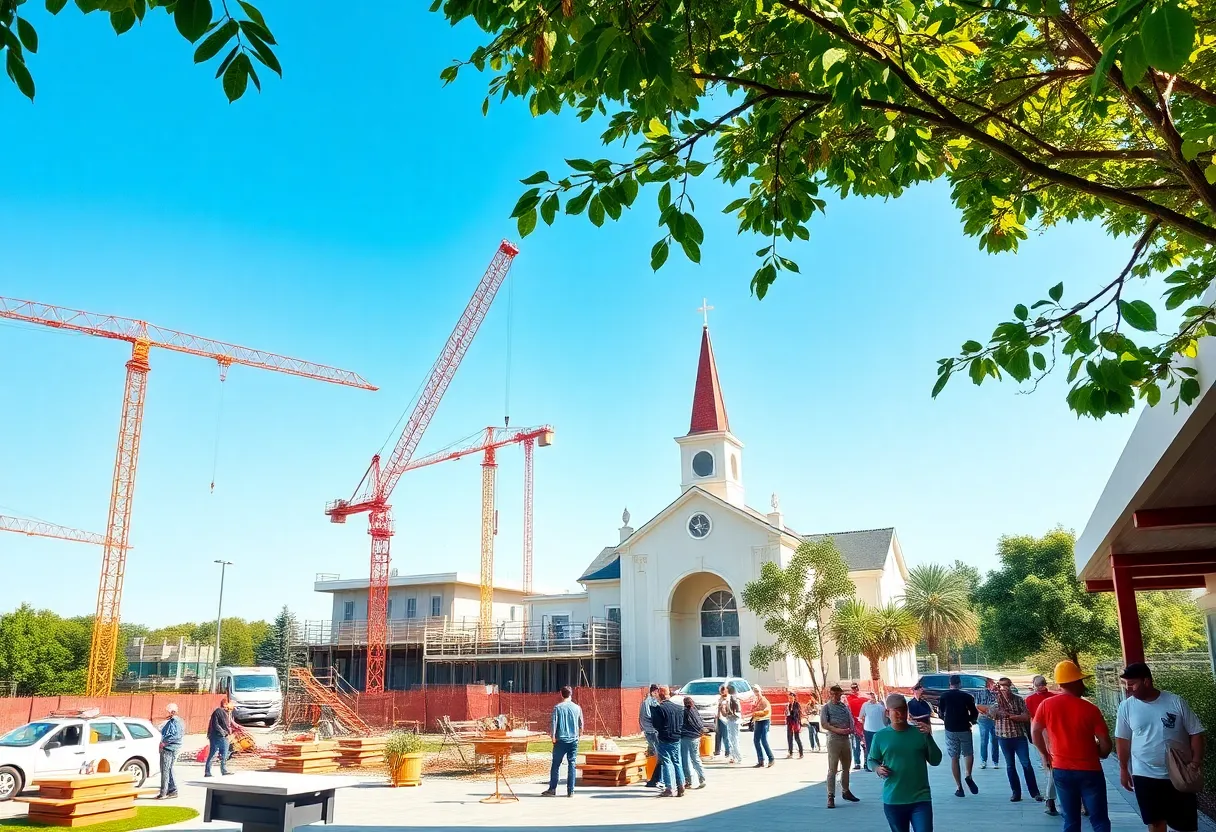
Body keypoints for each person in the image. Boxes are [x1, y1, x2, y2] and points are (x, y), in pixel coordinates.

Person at [1115, 661, 1205, 832]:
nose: (1128, 689)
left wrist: (1195, 762)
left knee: (1184, 826)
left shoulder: (1175, 702)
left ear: (1147, 681)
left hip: (1178, 773)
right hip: (1144, 774)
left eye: (1132, 684)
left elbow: (1196, 733)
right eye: (1126, 684)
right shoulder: (1126, 706)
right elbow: (1122, 739)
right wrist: (1123, 769)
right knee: (1155, 823)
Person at [1032, 660, 1113, 832]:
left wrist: (1046, 755)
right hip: (1090, 770)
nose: (1083, 685)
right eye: (1081, 681)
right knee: (1099, 820)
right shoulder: (1090, 709)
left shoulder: (1046, 705)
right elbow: (1105, 743)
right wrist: (1101, 753)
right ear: (1075, 683)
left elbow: (1035, 732)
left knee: (1071, 820)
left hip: (1061, 770)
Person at [868, 692, 942, 832]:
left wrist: (929, 737)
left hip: (920, 798)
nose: (900, 714)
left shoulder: (919, 733)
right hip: (894, 798)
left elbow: (936, 760)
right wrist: (877, 768)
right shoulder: (880, 736)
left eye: (903, 710)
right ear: (887, 712)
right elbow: (871, 760)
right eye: (896, 711)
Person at [990, 676, 1040, 802]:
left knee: (1026, 764)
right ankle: (1016, 793)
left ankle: (1035, 793)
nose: (1004, 688)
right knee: (1010, 766)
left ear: (1010, 685)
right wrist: (995, 710)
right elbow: (990, 714)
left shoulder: (1018, 700)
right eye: (1001, 685)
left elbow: (1026, 716)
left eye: (1006, 685)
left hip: (1019, 736)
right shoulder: (995, 699)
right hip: (1004, 737)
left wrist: (1013, 716)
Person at [937, 674, 979, 797]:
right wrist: (971, 720)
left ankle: (959, 787)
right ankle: (968, 775)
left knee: (954, 757)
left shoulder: (944, 696)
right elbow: (974, 712)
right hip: (964, 727)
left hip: (950, 728)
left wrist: (946, 720)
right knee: (968, 753)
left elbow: (940, 712)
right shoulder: (966, 696)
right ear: (960, 684)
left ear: (949, 684)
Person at [821, 684, 862, 808]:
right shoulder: (826, 708)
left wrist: (853, 730)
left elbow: (851, 718)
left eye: (838, 694)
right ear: (830, 694)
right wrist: (838, 730)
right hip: (834, 738)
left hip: (846, 738)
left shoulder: (844, 706)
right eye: (833, 694)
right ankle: (830, 796)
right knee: (832, 768)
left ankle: (846, 791)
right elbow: (824, 724)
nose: (835, 697)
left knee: (846, 767)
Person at [1024, 674, 1058, 816]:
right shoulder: (1055, 697)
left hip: (1041, 734)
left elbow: (1029, 719)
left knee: (1050, 767)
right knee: (1055, 767)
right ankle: (1053, 800)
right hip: (1055, 732)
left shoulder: (1030, 699)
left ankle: (1050, 800)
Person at [542, 686, 584, 797]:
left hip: (561, 739)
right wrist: (579, 735)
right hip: (573, 739)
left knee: (556, 764)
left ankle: (552, 789)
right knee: (572, 764)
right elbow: (581, 724)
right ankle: (571, 790)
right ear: (571, 694)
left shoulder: (558, 708)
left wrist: (553, 736)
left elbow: (554, 723)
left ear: (561, 694)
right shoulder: (577, 708)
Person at [650, 685, 685, 797]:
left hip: (665, 737)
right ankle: (681, 785)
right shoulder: (678, 708)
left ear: (660, 695)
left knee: (667, 761)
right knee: (677, 761)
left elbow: (656, 724)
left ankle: (670, 788)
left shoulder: (660, 708)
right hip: (676, 737)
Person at [680, 696, 708, 790]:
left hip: (685, 738)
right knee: (696, 758)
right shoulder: (695, 711)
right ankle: (702, 778)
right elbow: (700, 724)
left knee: (685, 760)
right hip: (696, 737)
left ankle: (688, 781)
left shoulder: (683, 712)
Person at [157, 703, 183, 800]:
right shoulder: (178, 721)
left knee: (165, 770)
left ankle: (164, 792)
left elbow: (175, 736)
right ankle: (172, 790)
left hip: (169, 749)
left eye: (167, 711)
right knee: (169, 769)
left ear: (171, 712)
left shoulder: (174, 722)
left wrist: (164, 743)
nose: (166, 713)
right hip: (172, 748)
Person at [974, 678, 1000, 770]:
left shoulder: (998, 694)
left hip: (995, 719)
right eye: (993, 684)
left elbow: (998, 707)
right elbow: (978, 706)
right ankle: (983, 761)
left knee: (995, 740)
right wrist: (989, 709)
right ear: (988, 685)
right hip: (984, 719)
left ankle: (995, 761)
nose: (995, 686)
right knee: (984, 740)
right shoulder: (980, 693)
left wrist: (987, 708)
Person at [204, 699, 235, 777]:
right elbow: (219, 725)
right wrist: (224, 733)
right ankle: (223, 770)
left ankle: (208, 772)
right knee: (224, 753)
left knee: (213, 753)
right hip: (220, 736)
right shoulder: (220, 711)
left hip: (215, 735)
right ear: (225, 704)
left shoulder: (222, 712)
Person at [861, 690, 890, 768]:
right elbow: (861, 717)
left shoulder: (881, 705)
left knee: (881, 747)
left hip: (880, 729)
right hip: (868, 730)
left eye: (874, 695)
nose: (872, 697)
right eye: (871, 696)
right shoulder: (865, 705)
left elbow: (886, 716)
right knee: (869, 747)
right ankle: (868, 765)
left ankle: (881, 763)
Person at [641, 683, 662, 788]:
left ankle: (654, 777)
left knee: (653, 753)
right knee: (658, 755)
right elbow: (650, 716)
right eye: (657, 692)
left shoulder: (649, 701)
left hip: (650, 730)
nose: (658, 694)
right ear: (654, 691)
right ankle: (657, 778)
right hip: (652, 731)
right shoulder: (649, 702)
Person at [846, 682, 868, 770]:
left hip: (863, 726)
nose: (854, 689)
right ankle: (859, 763)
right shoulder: (849, 699)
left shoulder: (864, 698)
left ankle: (864, 762)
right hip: (856, 726)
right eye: (853, 688)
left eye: (855, 687)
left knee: (862, 745)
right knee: (857, 745)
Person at [752, 685, 775, 767]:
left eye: (757, 691)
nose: (756, 693)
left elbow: (767, 710)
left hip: (765, 720)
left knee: (764, 740)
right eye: (754, 691)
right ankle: (760, 760)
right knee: (756, 740)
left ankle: (771, 758)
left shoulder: (764, 700)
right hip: (758, 721)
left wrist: (757, 713)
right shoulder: (755, 700)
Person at [722, 683, 743, 763]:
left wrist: (727, 712)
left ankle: (739, 757)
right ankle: (734, 756)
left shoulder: (733, 698)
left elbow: (735, 712)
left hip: (734, 720)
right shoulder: (730, 698)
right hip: (731, 720)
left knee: (734, 739)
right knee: (731, 738)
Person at [786, 690, 804, 758]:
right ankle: (790, 752)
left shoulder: (796, 704)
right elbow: (787, 714)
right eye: (789, 698)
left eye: (791, 698)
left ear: (794, 697)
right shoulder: (789, 705)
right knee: (789, 738)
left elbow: (796, 714)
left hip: (795, 723)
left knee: (797, 738)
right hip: (790, 723)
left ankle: (801, 753)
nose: (790, 699)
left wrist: (790, 711)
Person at [713, 684, 729, 757]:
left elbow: (728, 710)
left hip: (725, 719)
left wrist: (722, 708)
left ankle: (727, 751)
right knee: (718, 734)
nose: (722, 692)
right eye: (721, 691)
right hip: (719, 718)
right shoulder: (720, 698)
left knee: (725, 736)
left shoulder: (728, 699)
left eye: (723, 691)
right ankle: (717, 750)